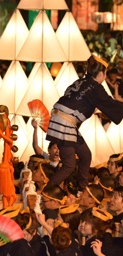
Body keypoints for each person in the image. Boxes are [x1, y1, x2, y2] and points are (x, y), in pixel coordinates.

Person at [46, 55, 123, 193]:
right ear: (101, 73)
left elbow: (74, 100)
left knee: (85, 155)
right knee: (69, 165)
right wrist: (118, 101)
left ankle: (81, 189)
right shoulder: (95, 87)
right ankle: (45, 193)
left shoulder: (80, 82)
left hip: (62, 120)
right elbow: (110, 105)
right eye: (104, 74)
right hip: (65, 123)